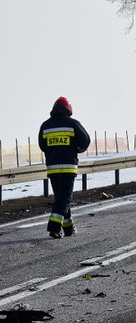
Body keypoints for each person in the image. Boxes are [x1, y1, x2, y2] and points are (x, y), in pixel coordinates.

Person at [38, 96, 91, 239]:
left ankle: (68, 228)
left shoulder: (45, 126)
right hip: (68, 167)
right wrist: (76, 149)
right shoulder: (73, 124)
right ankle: (54, 227)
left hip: (53, 168)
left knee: (61, 198)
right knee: (65, 199)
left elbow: (42, 146)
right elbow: (85, 141)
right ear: (68, 110)